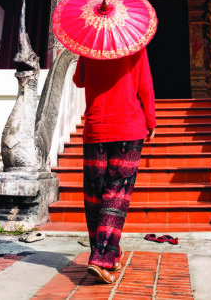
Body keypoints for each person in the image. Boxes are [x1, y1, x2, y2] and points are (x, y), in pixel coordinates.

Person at [72, 48, 157, 284]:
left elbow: (79, 80)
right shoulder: (134, 46)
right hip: (129, 128)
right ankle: (101, 257)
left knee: (95, 194)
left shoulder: (88, 46)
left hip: (96, 126)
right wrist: (151, 119)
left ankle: (110, 252)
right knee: (116, 193)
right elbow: (145, 85)